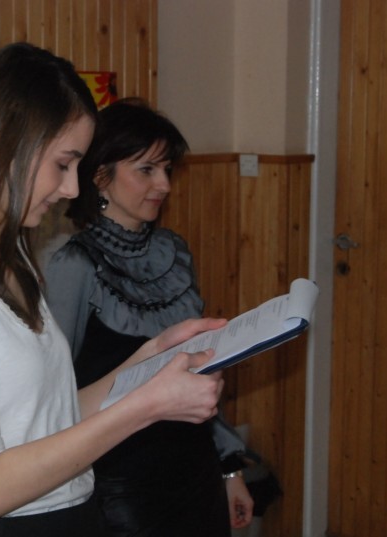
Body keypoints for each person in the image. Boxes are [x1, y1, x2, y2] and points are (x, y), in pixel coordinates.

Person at [0, 42, 229, 537]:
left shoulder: (11, 254)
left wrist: (151, 358)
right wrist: (147, 407)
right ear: (5, 143)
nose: (71, 189)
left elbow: (57, 418)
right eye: (62, 164)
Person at [44, 97, 255, 536]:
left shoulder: (172, 252)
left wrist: (230, 469)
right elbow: (54, 396)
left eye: (167, 169)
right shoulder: (74, 266)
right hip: (122, 487)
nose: (164, 184)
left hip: (196, 472)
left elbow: (200, 374)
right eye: (147, 170)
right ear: (101, 177)